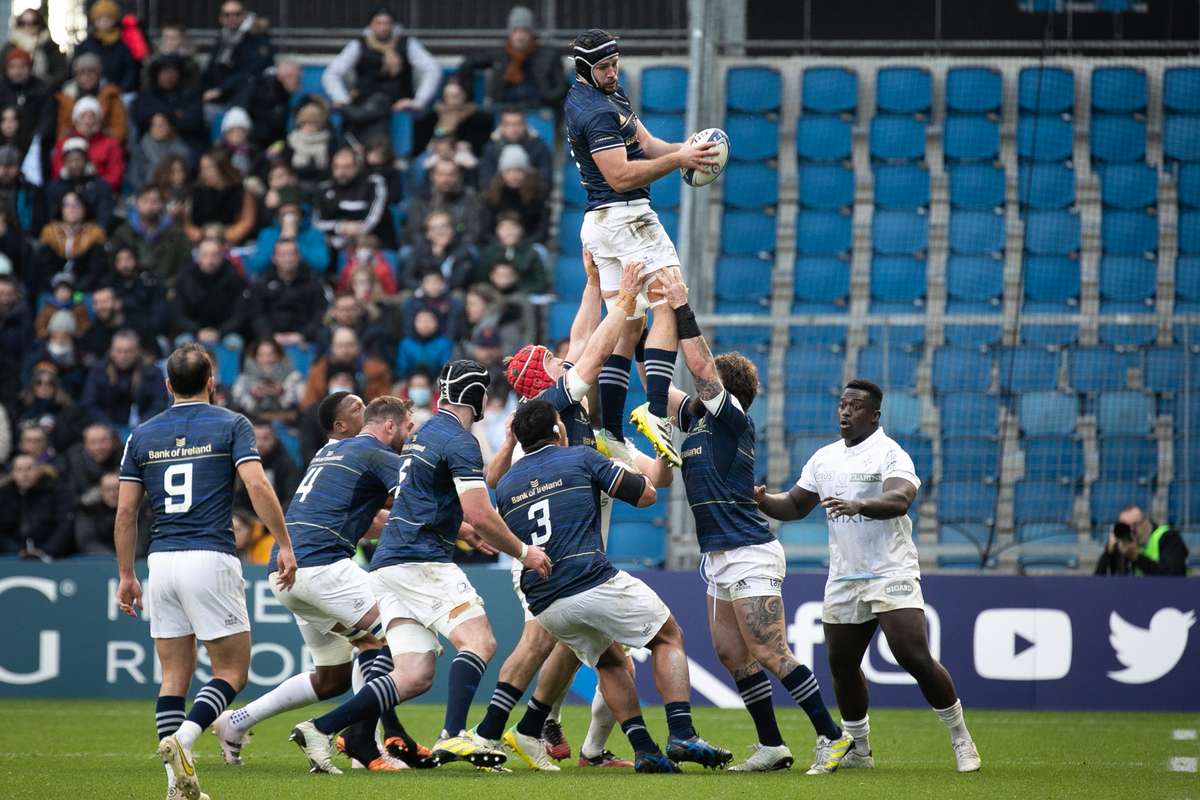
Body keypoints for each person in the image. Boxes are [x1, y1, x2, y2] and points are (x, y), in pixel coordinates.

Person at [287, 360, 552, 773]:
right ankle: (453, 736)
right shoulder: (459, 440)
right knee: (479, 642)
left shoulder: (424, 432)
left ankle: (322, 727)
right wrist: (523, 552)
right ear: (476, 397)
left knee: (413, 674)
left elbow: (461, 489)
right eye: (483, 393)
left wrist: (468, 522)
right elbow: (479, 511)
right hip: (422, 558)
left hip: (387, 565)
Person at [651, 270, 852, 773]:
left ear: (725, 391)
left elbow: (698, 369)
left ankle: (833, 736)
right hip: (717, 555)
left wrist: (680, 308)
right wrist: (640, 311)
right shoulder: (696, 419)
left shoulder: (730, 418)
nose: (696, 387)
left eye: (708, 383)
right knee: (730, 653)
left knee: (769, 649)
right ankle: (772, 746)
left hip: (748, 549)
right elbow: (654, 373)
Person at [489, 258, 671, 767]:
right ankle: (501, 729)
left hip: (576, 556)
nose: (564, 359)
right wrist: (628, 299)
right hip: (551, 556)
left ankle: (562, 734)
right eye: (552, 360)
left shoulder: (584, 429)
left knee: (592, 651)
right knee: (547, 644)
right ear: (541, 378)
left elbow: (658, 479)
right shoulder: (559, 407)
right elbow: (590, 345)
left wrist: (593, 283)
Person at [487, 398, 730, 773]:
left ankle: (644, 749)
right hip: (589, 578)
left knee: (611, 661)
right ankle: (682, 731)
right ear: (557, 429)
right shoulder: (582, 457)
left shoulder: (507, 484)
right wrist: (645, 459)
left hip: (545, 600)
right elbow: (647, 496)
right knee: (668, 636)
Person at [754, 379, 982, 773]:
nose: (845, 412)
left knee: (911, 653)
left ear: (874, 415)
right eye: (842, 404)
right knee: (842, 665)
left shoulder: (891, 454)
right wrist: (762, 500)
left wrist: (859, 504)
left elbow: (900, 499)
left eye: (855, 407)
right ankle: (859, 748)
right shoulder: (824, 458)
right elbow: (794, 504)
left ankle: (961, 738)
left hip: (890, 568)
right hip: (844, 576)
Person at [114, 343, 298, 800]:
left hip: (161, 559)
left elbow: (124, 514)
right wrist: (284, 542)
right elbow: (256, 484)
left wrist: (126, 575)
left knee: (173, 677)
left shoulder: (142, 435)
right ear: (212, 380)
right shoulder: (232, 424)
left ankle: (177, 784)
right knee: (232, 671)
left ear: (168, 385)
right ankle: (185, 740)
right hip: (210, 556)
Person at [215, 396, 434, 772]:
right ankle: (364, 742)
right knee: (395, 636)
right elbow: (417, 505)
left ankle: (237, 721)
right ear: (342, 427)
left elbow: (368, 520)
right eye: (356, 407)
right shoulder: (370, 452)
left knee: (333, 677)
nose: (364, 410)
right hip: (321, 566)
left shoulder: (329, 457)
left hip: (286, 571)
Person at [564, 28, 718, 466]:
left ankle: (611, 431)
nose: (612, 72)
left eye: (615, 64)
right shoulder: (592, 111)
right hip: (627, 217)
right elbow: (621, 176)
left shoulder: (608, 93)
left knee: (627, 322)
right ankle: (656, 413)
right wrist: (678, 162)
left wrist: (689, 151)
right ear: (583, 70)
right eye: (603, 67)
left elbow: (647, 146)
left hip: (601, 225)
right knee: (668, 301)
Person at [321, 6, 440, 146]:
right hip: (365, 102)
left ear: (393, 25)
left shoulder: (407, 44)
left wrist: (418, 102)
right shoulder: (358, 45)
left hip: (396, 102)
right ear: (371, 25)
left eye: (387, 23)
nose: (383, 27)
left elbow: (433, 69)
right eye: (379, 23)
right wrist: (342, 99)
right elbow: (331, 73)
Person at [456, 6, 568, 112]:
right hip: (503, 108)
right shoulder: (500, 53)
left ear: (531, 33)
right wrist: (469, 100)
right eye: (516, 31)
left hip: (538, 108)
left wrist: (547, 98)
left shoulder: (548, 54)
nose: (520, 37)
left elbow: (561, 87)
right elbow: (467, 64)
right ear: (510, 33)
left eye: (524, 31)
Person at [80, 329, 169, 429]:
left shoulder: (152, 372)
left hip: (145, 427)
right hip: (106, 429)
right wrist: (108, 426)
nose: (123, 356)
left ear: (137, 351)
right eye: (119, 351)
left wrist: (143, 425)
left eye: (128, 352)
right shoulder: (98, 371)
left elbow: (160, 403)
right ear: (111, 351)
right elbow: (89, 403)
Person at [314, 148, 394, 253]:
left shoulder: (373, 183)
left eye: (347, 167)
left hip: (372, 242)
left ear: (357, 167)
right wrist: (340, 227)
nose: (341, 172)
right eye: (336, 167)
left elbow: (374, 218)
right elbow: (317, 222)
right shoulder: (323, 188)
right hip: (333, 244)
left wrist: (356, 230)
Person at [251, 237, 328, 346]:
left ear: (299, 257)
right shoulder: (261, 284)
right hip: (269, 340)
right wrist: (270, 336)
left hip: (306, 339)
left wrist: (302, 335)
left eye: (292, 254)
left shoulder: (313, 283)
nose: (288, 259)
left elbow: (320, 314)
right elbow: (257, 315)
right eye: (283, 255)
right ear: (274, 258)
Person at [201, 1, 275, 111]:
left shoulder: (256, 36)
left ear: (245, 15)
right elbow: (211, 68)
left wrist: (221, 89)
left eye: (237, 14)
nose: (232, 18)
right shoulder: (223, 36)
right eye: (227, 15)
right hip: (219, 93)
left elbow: (251, 70)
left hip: (245, 97)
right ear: (221, 18)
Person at [0, 452, 74, 558]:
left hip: (52, 556)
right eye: (19, 470)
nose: (24, 474)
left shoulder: (57, 492)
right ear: (13, 474)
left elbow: (65, 526)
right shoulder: (4, 495)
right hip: (12, 557)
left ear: (39, 470)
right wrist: (16, 551)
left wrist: (46, 551)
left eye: (29, 468)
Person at [301, 325, 392, 410]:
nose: (345, 350)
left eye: (350, 345)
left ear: (358, 347)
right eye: (340, 346)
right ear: (332, 348)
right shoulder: (318, 371)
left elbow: (383, 404)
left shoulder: (376, 370)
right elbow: (309, 403)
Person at [132, 53, 206, 156]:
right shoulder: (147, 95)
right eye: (164, 72)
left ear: (179, 74)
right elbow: (139, 116)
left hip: (184, 141)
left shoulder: (190, 95)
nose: (168, 76)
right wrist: (174, 115)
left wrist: (166, 119)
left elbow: (194, 121)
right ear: (157, 75)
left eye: (172, 72)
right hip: (152, 142)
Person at [34, 190, 108, 292]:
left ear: (84, 208)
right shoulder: (49, 232)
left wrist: (75, 290)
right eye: (67, 205)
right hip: (53, 291)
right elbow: (44, 269)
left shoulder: (95, 232)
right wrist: (58, 288)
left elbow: (95, 271)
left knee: (82, 300)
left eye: (76, 204)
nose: (71, 209)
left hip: (82, 292)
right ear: (61, 209)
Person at [406, 157, 484, 246]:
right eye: (441, 174)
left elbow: (474, 232)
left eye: (451, 174)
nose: (446, 179)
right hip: (426, 249)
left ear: (458, 176)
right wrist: (432, 249)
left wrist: (452, 247)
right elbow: (414, 231)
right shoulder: (421, 199)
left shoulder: (469, 199)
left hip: (460, 247)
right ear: (432, 175)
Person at [52, 96, 124, 191]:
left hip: (100, 192)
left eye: (92, 116)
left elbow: (115, 174)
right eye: (83, 116)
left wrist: (96, 189)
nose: (88, 121)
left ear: (98, 120)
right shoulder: (64, 143)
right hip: (68, 191)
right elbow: (57, 171)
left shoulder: (110, 144)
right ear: (76, 120)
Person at [184, 149, 256, 245]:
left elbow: (246, 222)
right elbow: (188, 223)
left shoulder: (241, 192)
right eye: (202, 168)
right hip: (201, 243)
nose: (204, 173)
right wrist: (202, 234)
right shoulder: (195, 191)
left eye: (209, 168)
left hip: (232, 243)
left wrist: (223, 234)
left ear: (222, 168)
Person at [1095, 504, 1189, 576]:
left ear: (1146, 523)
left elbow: (1174, 577)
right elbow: (1096, 583)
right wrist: (1108, 552)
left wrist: (1136, 557)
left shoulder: (1168, 537)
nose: (1131, 531)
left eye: (1135, 525)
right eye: (1125, 527)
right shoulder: (1120, 543)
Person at [45, 133, 114, 229]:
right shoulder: (55, 187)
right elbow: (50, 217)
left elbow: (104, 217)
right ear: (64, 162)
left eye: (78, 160)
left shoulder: (100, 186)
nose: (74, 164)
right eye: (70, 160)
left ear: (86, 161)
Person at [54, 52, 127, 144]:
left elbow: (119, 131)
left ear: (98, 74)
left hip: (104, 145)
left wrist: (98, 134)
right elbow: (62, 131)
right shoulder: (67, 98)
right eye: (82, 73)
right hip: (74, 146)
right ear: (76, 76)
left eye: (91, 72)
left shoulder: (110, 95)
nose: (87, 77)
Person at [482, 145, 549, 242]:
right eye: (508, 171)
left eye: (518, 170)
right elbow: (486, 229)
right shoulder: (492, 196)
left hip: (529, 245)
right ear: (502, 173)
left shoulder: (537, 194)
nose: (513, 176)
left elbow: (542, 231)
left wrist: (522, 247)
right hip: (498, 245)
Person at [231, 339, 304, 424]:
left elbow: (301, 403)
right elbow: (237, 405)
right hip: (253, 424)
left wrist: (282, 393)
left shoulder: (294, 377)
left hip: (287, 424)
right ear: (254, 356)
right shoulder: (243, 379)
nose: (266, 359)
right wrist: (254, 397)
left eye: (270, 354)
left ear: (279, 355)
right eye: (261, 355)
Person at [107, 246, 169, 344]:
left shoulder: (149, 280)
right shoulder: (111, 282)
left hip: (150, 332)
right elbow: (80, 294)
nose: (124, 265)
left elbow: (158, 314)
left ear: (136, 260)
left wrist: (123, 304)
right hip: (121, 336)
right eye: (119, 261)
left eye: (128, 259)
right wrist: (77, 296)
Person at [400, 211, 476, 291]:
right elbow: (406, 279)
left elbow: (457, 282)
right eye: (435, 228)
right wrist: (425, 287)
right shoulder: (419, 251)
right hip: (422, 291)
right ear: (428, 234)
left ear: (452, 229)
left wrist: (437, 287)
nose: (441, 231)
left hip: (449, 295)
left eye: (444, 226)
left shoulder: (463, 251)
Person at [74, 2, 138, 93]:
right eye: (99, 18)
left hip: (118, 93)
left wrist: (121, 90)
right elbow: (75, 70)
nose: (103, 22)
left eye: (108, 18)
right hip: (89, 93)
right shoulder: (85, 45)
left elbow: (130, 71)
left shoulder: (123, 46)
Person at [479, 109, 552, 188]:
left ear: (525, 125)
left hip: (532, 196)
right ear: (501, 126)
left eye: (518, 124)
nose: (514, 129)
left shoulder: (539, 146)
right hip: (499, 196)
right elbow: (485, 180)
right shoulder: (491, 148)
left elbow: (546, 179)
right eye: (508, 124)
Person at [475, 211, 547, 292]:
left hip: (522, 296)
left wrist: (520, 290)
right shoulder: (489, 252)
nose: (509, 232)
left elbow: (541, 282)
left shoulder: (531, 253)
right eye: (504, 228)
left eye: (513, 227)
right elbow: (481, 279)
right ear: (497, 231)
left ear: (521, 230)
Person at [236, 60, 300, 149]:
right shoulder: (261, 90)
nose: (299, 84)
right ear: (285, 77)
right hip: (254, 144)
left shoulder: (284, 96)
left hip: (272, 145)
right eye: (297, 79)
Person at [3, 8, 69, 93]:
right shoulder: (10, 47)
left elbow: (61, 72)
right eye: (23, 23)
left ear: (40, 24)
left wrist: (44, 87)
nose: (28, 27)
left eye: (34, 23)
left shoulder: (49, 46)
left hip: (45, 92)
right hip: (13, 92)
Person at [62, 421, 120, 499]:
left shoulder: (124, 456)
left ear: (112, 442)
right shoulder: (74, 461)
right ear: (85, 445)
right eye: (93, 442)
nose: (98, 447)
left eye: (103, 441)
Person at [74, 471, 123, 554]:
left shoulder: (137, 510)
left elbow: (141, 540)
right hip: (100, 560)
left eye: (117, 488)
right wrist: (112, 558)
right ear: (101, 491)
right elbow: (87, 541)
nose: (113, 494)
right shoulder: (88, 510)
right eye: (108, 490)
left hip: (132, 558)